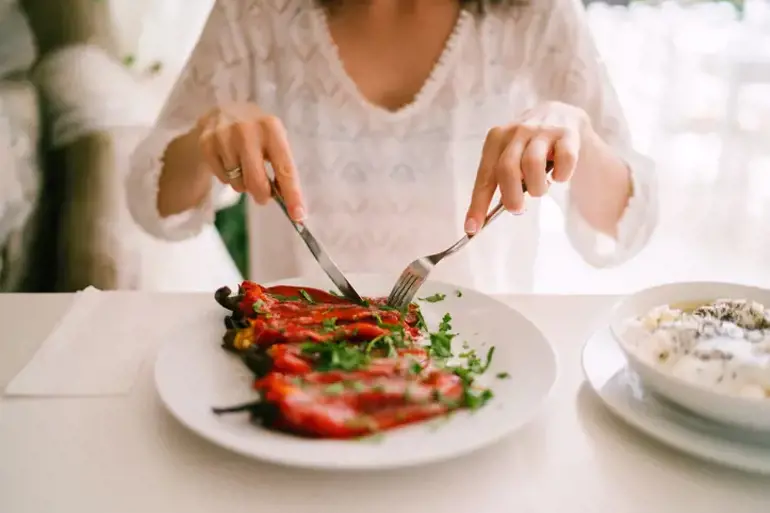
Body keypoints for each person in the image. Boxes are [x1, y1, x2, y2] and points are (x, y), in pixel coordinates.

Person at [126, 0, 657, 293]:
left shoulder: (535, 15)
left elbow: (625, 225)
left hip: (484, 374)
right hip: (292, 374)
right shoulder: (256, 13)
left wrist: (577, 136)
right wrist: (207, 140)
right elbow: (153, 207)